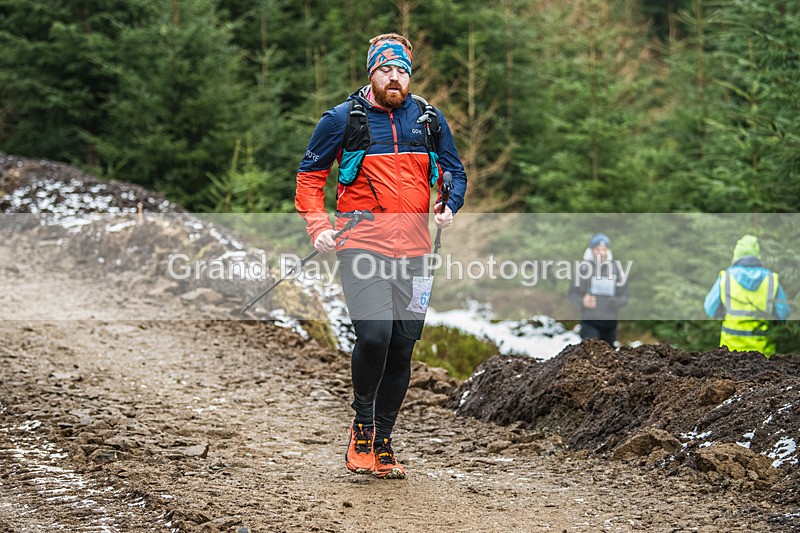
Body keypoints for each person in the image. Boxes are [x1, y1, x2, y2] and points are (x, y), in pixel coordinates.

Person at [294, 33, 467, 479]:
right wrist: (319, 227)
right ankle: (363, 425)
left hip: (416, 253)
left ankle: (385, 438)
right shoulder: (340, 119)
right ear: (371, 72)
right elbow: (310, 179)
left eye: (403, 70)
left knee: (403, 350)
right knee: (375, 337)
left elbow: (453, 169)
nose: (395, 77)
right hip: (361, 246)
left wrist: (450, 201)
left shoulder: (428, 118)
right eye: (387, 69)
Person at [704, 235, 790, 357]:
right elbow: (783, 314)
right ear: (758, 256)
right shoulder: (771, 279)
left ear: (735, 256)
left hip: (729, 352)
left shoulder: (726, 277)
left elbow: (710, 309)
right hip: (763, 353)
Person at [568, 233, 629, 345]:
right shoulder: (583, 269)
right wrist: (582, 301)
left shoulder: (616, 269)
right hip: (589, 322)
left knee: (609, 358)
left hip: (610, 325)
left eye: (604, 249)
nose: (601, 252)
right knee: (592, 354)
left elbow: (625, 295)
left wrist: (617, 302)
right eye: (598, 249)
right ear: (591, 250)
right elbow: (572, 294)